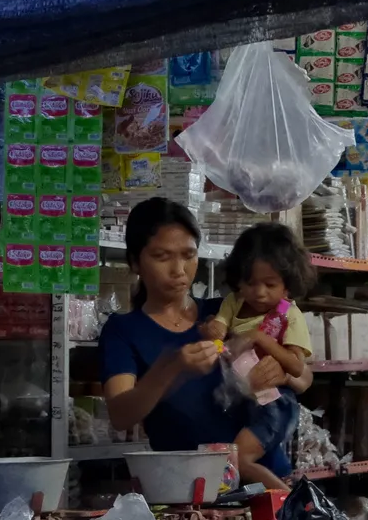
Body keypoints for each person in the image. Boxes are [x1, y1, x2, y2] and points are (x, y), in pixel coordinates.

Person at [99, 198, 310, 465]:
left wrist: (280, 373)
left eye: (188, 255)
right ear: (134, 262)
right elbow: (121, 415)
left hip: (262, 480)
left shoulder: (226, 312)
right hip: (190, 486)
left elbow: (304, 378)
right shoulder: (124, 331)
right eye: (161, 257)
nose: (179, 270)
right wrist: (171, 368)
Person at [199, 223, 315, 490]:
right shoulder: (234, 303)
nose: (259, 292)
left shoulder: (288, 315)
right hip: (245, 403)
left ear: (288, 284)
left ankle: (291, 506)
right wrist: (210, 332)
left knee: (237, 459)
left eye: (270, 284)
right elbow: (217, 331)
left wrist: (259, 337)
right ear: (238, 279)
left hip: (275, 405)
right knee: (235, 459)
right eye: (250, 283)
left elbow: (298, 368)